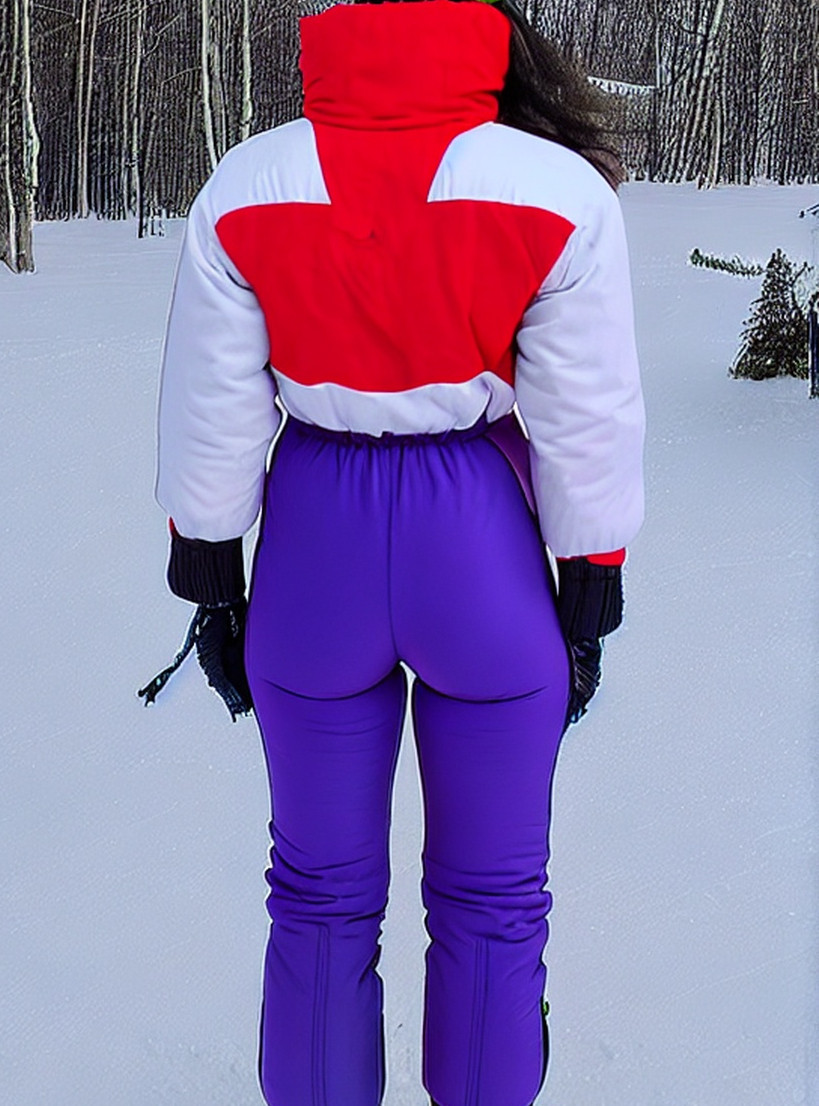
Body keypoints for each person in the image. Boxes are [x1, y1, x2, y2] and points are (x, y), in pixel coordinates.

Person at [140, 1, 645, 1103]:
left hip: (315, 542)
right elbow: (587, 409)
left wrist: (212, 579)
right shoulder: (553, 188)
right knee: (493, 902)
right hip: (479, 543)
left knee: (317, 899)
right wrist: (590, 585)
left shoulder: (249, 182)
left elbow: (210, 399)